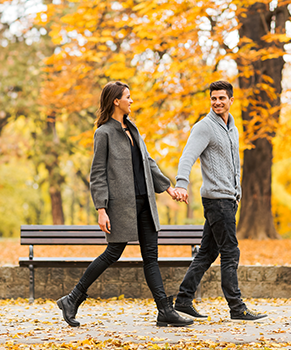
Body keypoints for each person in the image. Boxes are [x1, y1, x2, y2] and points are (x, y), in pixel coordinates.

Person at [57, 81, 193, 328]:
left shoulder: (133, 128)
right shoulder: (104, 133)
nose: (132, 101)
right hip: (121, 206)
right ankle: (73, 298)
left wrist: (168, 187)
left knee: (151, 257)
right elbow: (97, 173)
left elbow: (148, 162)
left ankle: (164, 310)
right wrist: (101, 209)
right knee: (112, 253)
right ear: (116, 101)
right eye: (128, 97)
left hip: (145, 203)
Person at [171, 81, 267, 322]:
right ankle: (237, 307)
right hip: (216, 200)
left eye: (221, 98)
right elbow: (187, 156)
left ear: (231, 100)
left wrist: (238, 190)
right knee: (230, 251)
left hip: (229, 199)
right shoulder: (204, 127)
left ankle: (183, 299)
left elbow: (233, 164)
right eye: (213, 98)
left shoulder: (232, 128)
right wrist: (181, 183)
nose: (217, 103)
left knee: (206, 253)